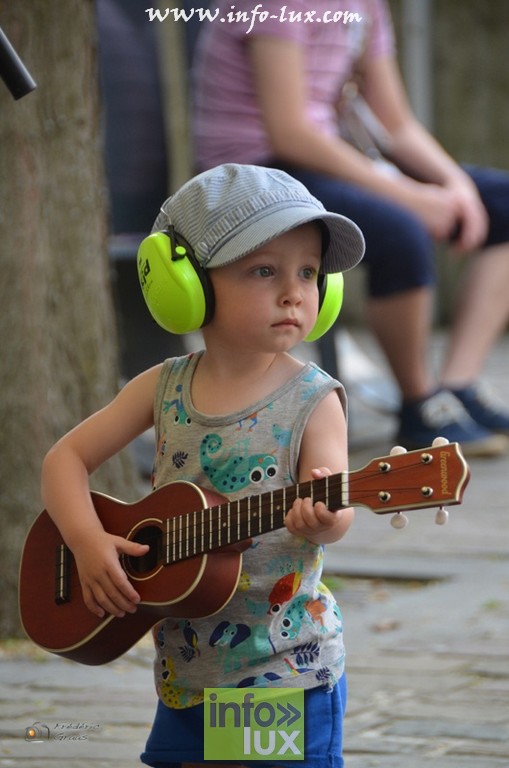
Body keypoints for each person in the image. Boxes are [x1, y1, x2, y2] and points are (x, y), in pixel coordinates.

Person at [41, 163, 366, 767]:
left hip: (281, 670)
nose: (295, 291)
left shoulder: (313, 400)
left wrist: (324, 518)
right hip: (186, 672)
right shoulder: (162, 388)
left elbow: (335, 510)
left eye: (310, 273)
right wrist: (87, 542)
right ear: (187, 283)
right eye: (264, 270)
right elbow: (65, 459)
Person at [192, 0, 509, 457]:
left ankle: (455, 387)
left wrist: (457, 188)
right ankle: (418, 404)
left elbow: (396, 122)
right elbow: (290, 131)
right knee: (400, 228)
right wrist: (414, 199)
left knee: (500, 203)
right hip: (256, 173)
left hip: (324, 156)